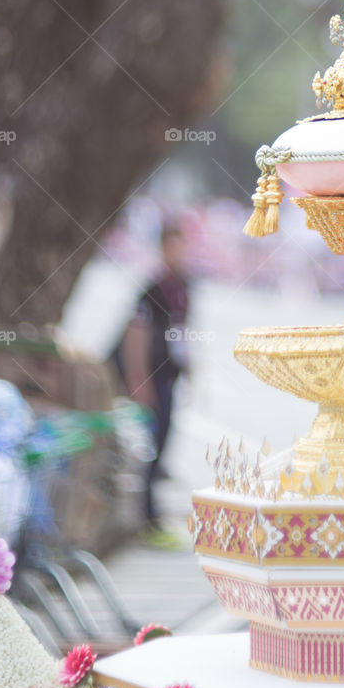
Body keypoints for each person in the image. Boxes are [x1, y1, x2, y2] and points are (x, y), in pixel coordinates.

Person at [119, 220, 192, 547]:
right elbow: (136, 334)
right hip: (153, 378)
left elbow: (184, 332)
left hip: (171, 376)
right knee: (150, 449)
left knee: (164, 447)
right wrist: (139, 380)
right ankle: (147, 518)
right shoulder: (152, 288)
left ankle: (153, 513)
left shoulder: (183, 285)